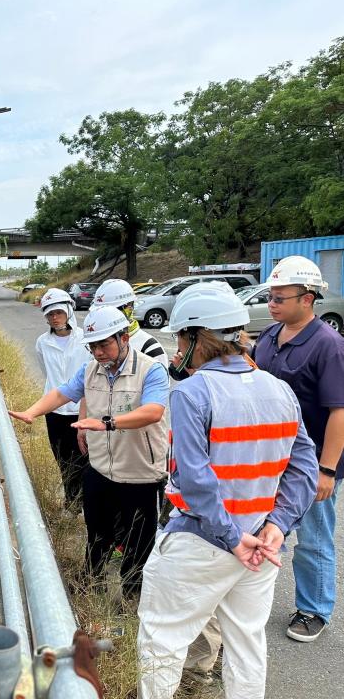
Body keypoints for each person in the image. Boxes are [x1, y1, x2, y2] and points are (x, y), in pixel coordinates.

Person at [137, 281, 317, 699]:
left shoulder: (192, 391)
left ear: (200, 336)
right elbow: (304, 467)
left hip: (204, 542)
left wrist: (234, 538)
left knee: (162, 640)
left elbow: (196, 481)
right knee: (247, 643)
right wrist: (277, 525)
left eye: (181, 338)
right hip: (262, 545)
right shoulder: (280, 389)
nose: (178, 350)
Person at [10, 305, 169, 599]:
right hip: (100, 469)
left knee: (138, 543)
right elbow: (62, 392)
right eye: (93, 346)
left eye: (104, 344)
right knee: (97, 534)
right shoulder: (91, 370)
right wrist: (31, 412)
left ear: (124, 338)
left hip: (140, 474)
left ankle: (132, 597)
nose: (98, 353)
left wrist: (106, 423)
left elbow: (153, 411)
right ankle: (90, 585)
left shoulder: (150, 369)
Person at [250, 255, 344, 642]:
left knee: (313, 538)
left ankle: (313, 609)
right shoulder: (270, 337)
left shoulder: (329, 345)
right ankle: (251, 602)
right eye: (270, 297)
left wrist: (327, 470)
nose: (271, 304)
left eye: (279, 298)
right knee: (265, 529)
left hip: (311, 464)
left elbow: (338, 411)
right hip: (271, 457)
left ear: (308, 299)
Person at [34, 288, 92, 506]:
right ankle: (72, 500)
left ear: (69, 310)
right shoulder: (42, 342)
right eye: (50, 314)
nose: (55, 318)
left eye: (58, 312)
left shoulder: (85, 339)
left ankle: (85, 500)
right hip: (55, 412)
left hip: (81, 410)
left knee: (84, 458)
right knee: (62, 458)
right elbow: (46, 372)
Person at [93, 278, 169, 369]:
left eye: (111, 311)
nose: (103, 317)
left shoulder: (150, 347)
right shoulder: (94, 344)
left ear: (129, 307)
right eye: (99, 312)